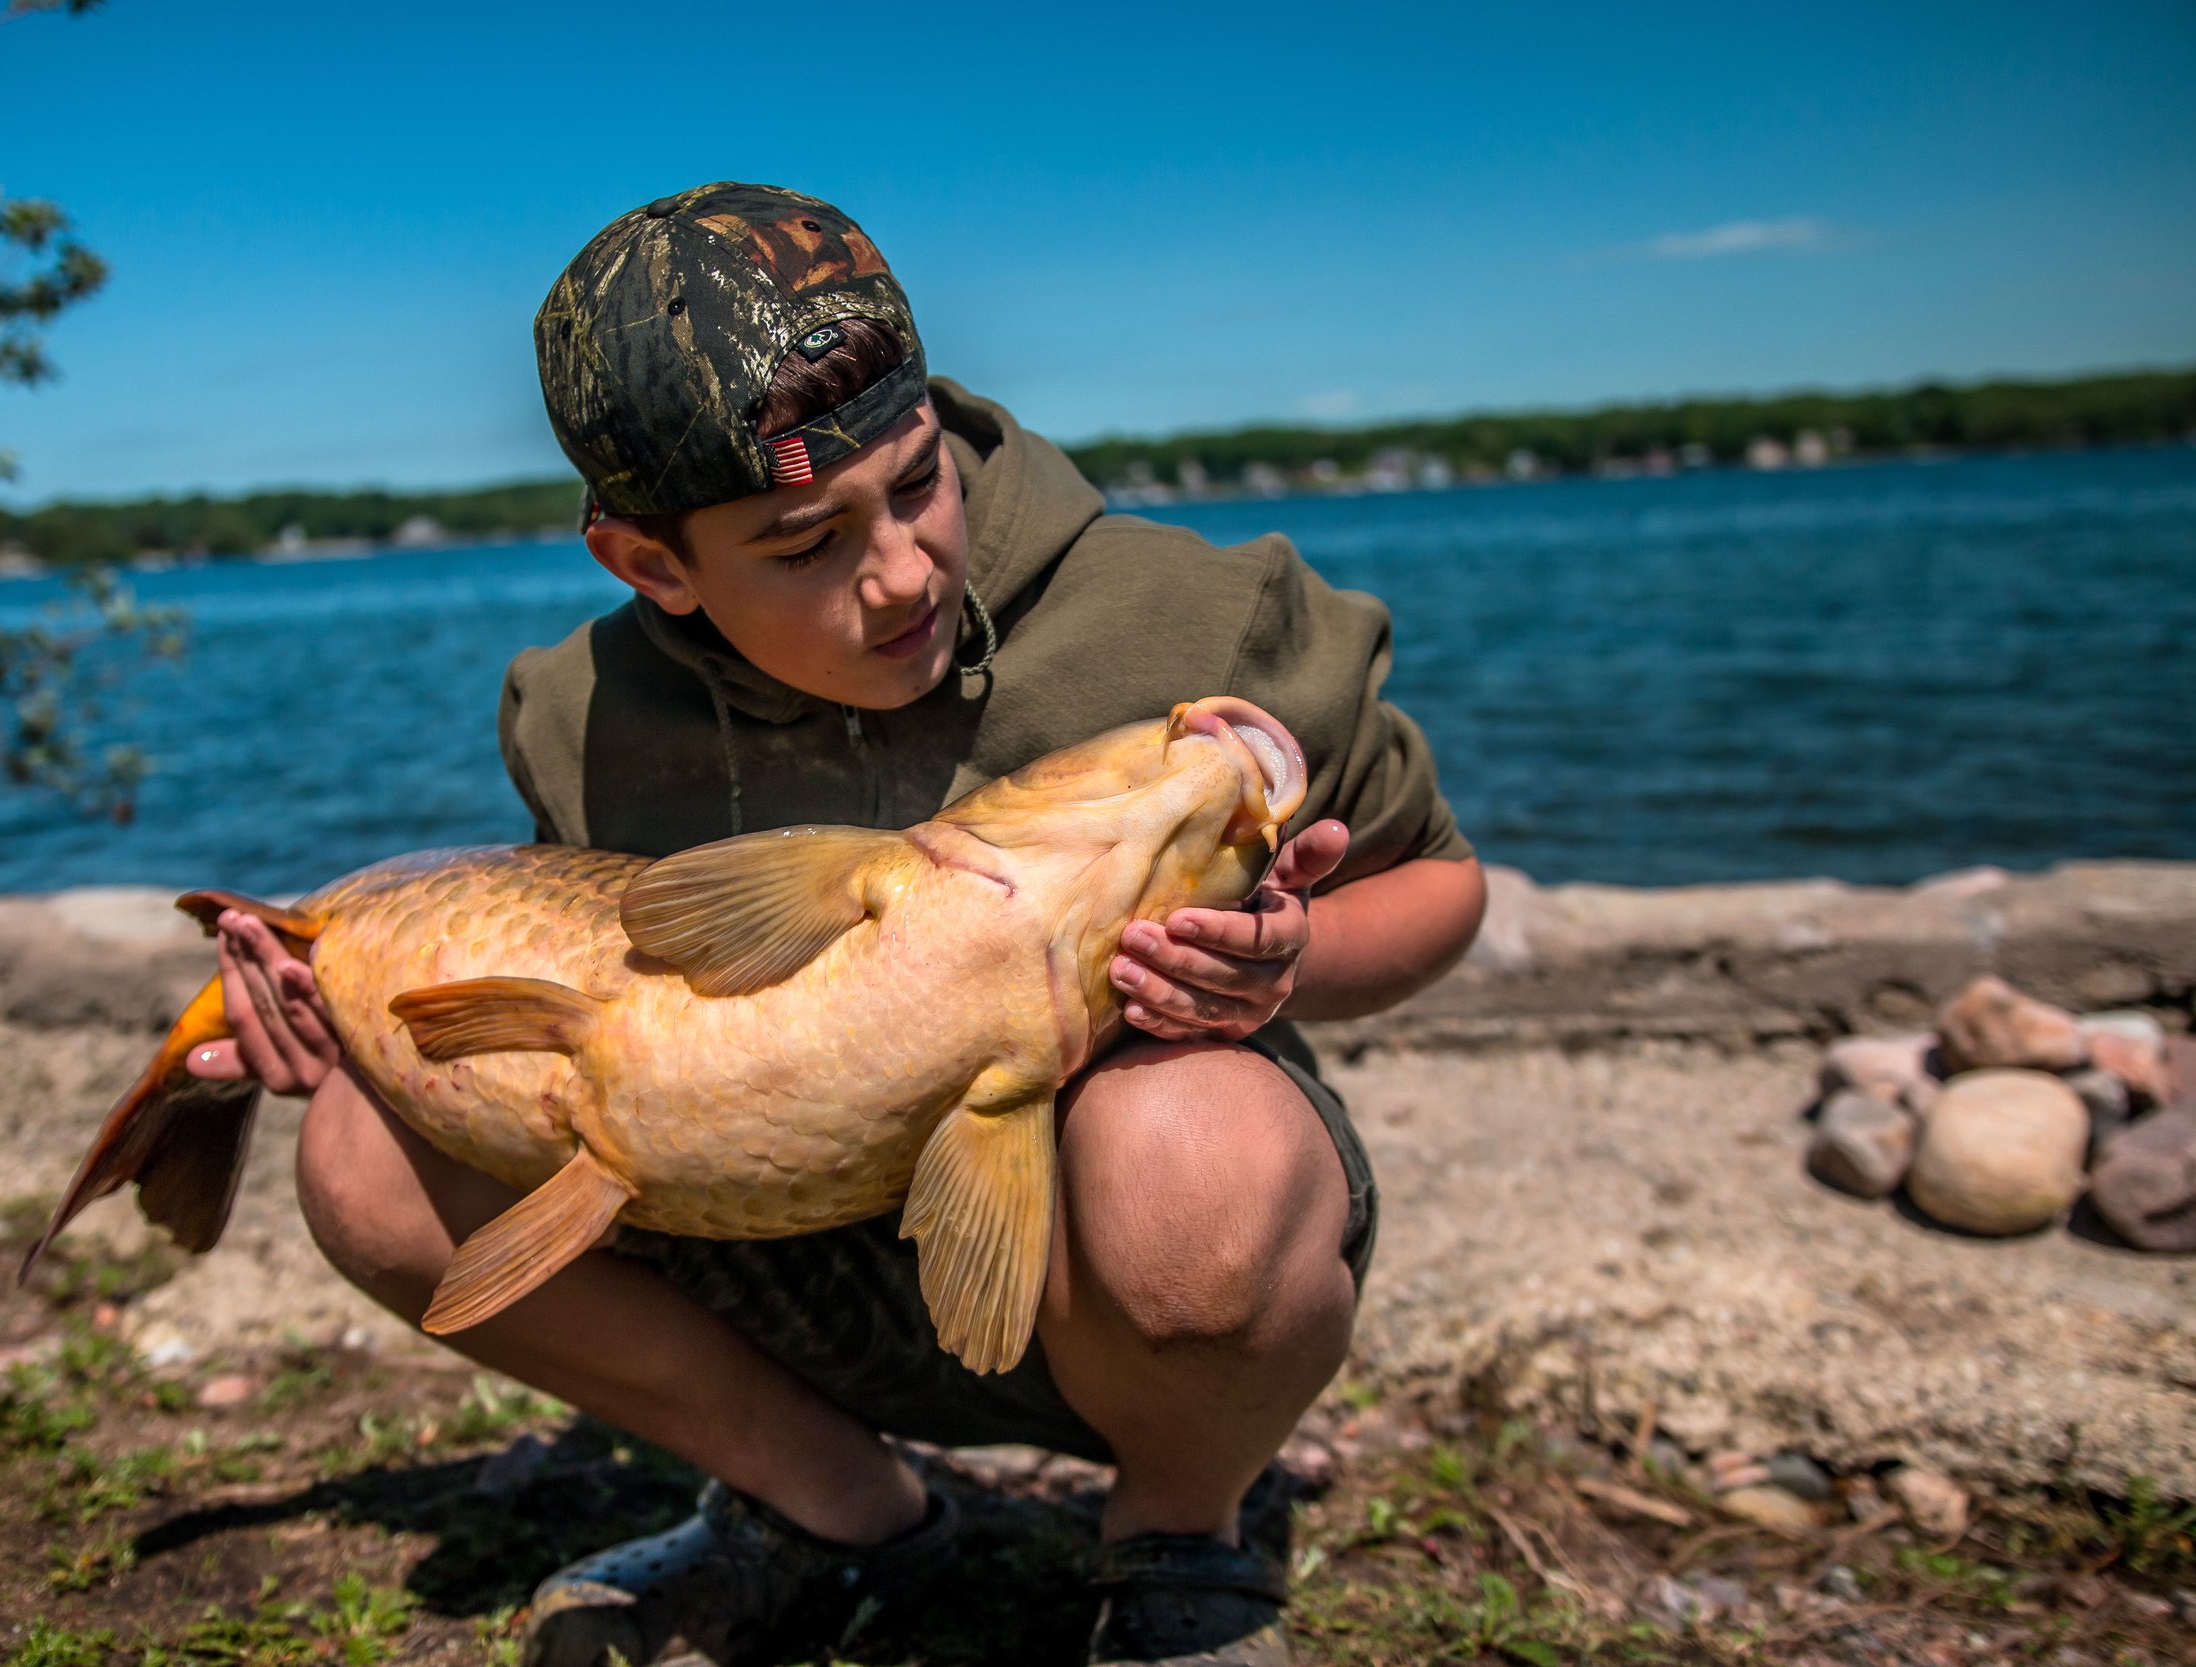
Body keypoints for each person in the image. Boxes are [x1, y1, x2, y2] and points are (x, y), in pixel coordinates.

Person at [191, 183, 1486, 1667]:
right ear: (652, 566)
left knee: (1194, 1159)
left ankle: (1184, 1537)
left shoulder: (1200, 625)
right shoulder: (578, 717)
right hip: (769, 1241)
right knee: (366, 1155)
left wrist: (1290, 963)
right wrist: (347, 1018)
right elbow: (584, 993)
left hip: (1128, 1265)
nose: (901, 573)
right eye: (803, 545)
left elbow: (1443, 888)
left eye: (919, 483)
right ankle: (835, 1510)